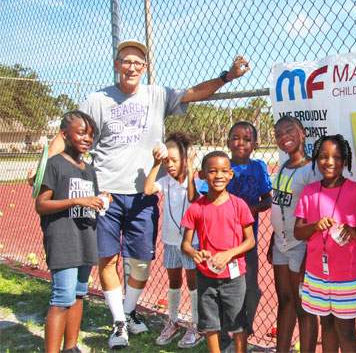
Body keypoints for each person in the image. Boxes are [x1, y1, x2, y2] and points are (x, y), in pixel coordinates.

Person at [33, 39, 250, 348]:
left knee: (141, 264)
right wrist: (43, 171)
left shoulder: (157, 94)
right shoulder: (97, 99)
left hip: (142, 195)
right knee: (107, 260)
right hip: (106, 193)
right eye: (126, 61)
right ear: (116, 64)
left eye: (138, 62)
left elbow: (194, 93)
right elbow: (65, 133)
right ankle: (120, 323)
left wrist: (227, 76)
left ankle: (129, 311)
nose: (132, 66)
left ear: (145, 68)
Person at [294, 134, 356, 352]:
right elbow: (298, 232)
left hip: (346, 275)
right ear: (316, 160)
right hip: (317, 273)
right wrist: (314, 226)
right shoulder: (309, 192)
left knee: (346, 329)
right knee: (326, 324)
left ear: (345, 160)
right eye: (323, 156)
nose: (330, 162)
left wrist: (355, 231)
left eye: (337, 157)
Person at [34, 111, 104, 353]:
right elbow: (41, 205)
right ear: (65, 134)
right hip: (63, 240)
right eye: (81, 133)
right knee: (62, 298)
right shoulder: (55, 165)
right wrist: (77, 202)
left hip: (85, 239)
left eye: (91, 135)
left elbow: (89, 200)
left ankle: (71, 347)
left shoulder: (90, 169)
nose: (87, 138)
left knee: (78, 295)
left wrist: (101, 201)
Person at [181, 151, 255, 353]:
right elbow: (185, 245)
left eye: (224, 171)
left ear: (231, 174)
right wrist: (194, 253)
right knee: (210, 324)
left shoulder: (239, 205)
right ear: (203, 175)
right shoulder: (196, 208)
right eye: (212, 171)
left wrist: (229, 253)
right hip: (206, 277)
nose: (219, 176)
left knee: (238, 324)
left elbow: (250, 241)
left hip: (234, 277)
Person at [268, 115, 321, 352]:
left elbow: (317, 216)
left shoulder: (312, 170)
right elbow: (279, 207)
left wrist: (311, 252)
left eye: (289, 131)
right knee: (285, 301)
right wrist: (272, 237)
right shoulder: (283, 167)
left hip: (302, 245)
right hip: (281, 243)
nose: (284, 137)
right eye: (279, 134)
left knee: (303, 306)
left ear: (303, 133)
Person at [143, 132, 200, 348]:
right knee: (174, 281)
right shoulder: (165, 180)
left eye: (174, 160)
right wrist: (156, 163)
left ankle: (196, 324)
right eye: (167, 160)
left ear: (186, 158)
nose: (170, 165)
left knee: (193, 282)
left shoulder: (194, 180)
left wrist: (192, 169)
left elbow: (194, 199)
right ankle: (173, 321)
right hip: (170, 241)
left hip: (192, 242)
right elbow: (148, 189)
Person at [225, 121, 272, 337]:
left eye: (247, 139)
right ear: (228, 142)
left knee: (250, 285)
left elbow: (268, 200)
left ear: (255, 144)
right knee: (225, 286)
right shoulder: (221, 165)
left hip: (247, 240)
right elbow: (207, 197)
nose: (240, 142)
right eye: (235, 137)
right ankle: (227, 329)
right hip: (223, 240)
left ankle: (247, 326)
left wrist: (250, 209)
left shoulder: (258, 167)